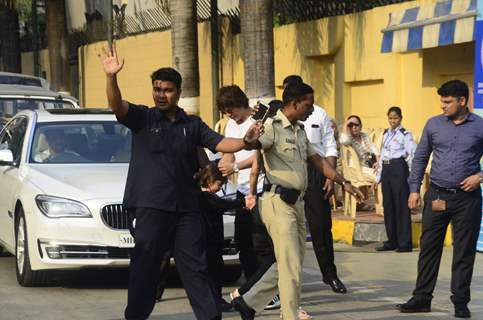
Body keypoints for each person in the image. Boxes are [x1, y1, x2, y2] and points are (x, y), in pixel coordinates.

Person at [98, 44, 262, 320]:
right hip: (151, 207)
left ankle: (210, 316)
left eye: (167, 90)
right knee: (145, 266)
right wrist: (111, 77)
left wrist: (246, 140)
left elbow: (222, 142)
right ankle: (135, 316)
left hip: (187, 210)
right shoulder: (143, 117)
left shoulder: (192, 124)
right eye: (157, 89)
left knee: (196, 268)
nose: (161, 95)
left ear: (178, 92)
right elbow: (117, 105)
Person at [232, 82, 364, 320]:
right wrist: (249, 139)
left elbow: (318, 160)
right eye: (308, 105)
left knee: (289, 262)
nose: (311, 110)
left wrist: (344, 182)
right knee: (291, 266)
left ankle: (248, 302)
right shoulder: (273, 126)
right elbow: (255, 143)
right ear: (294, 103)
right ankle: (290, 316)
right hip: (278, 203)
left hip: (297, 204)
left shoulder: (299, 130)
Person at [397, 80, 483, 319]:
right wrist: (414, 190)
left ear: (462, 101)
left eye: (447, 102)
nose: (442, 106)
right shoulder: (433, 124)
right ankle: (421, 298)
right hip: (436, 195)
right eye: (441, 102)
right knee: (428, 249)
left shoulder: (480, 126)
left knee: (464, 251)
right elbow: (420, 158)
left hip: (468, 200)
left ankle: (460, 301)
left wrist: (480, 176)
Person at [283, 75, 347, 294]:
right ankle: (288, 282)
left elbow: (330, 146)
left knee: (321, 227)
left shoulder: (318, 113)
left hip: (317, 171)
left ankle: (330, 275)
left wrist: (331, 176)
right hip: (287, 172)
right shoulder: (277, 116)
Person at [154, 162, 246, 312]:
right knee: (213, 272)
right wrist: (241, 202)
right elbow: (222, 204)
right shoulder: (205, 197)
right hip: (209, 241)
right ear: (209, 181)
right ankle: (215, 301)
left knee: (166, 260)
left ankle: (156, 292)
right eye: (218, 184)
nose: (220, 188)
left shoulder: (196, 194)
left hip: (203, 240)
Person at [217, 85, 263, 283]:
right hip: (242, 190)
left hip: (261, 189)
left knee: (260, 242)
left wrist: (235, 167)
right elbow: (228, 151)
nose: (229, 114)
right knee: (243, 241)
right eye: (225, 111)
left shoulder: (257, 121)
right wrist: (223, 166)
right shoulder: (230, 125)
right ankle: (253, 283)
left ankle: (267, 287)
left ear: (240, 103)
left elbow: (258, 158)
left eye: (231, 109)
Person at [374, 106, 416, 253]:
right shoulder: (385, 134)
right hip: (386, 168)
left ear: (401, 118)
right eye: (390, 118)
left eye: (395, 118)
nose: (393, 121)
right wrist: (378, 177)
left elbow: (412, 155)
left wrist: (412, 177)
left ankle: (404, 243)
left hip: (399, 168)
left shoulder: (405, 134)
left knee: (401, 205)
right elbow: (381, 155)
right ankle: (391, 240)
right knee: (388, 205)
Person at [339, 115, 379, 210]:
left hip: (366, 167)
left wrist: (379, 163)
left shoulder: (364, 136)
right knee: (381, 177)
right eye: (350, 125)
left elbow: (375, 149)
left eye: (356, 125)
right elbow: (344, 141)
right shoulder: (346, 137)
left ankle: (385, 205)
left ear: (361, 126)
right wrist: (345, 125)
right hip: (354, 169)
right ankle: (381, 207)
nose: (354, 127)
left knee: (384, 173)